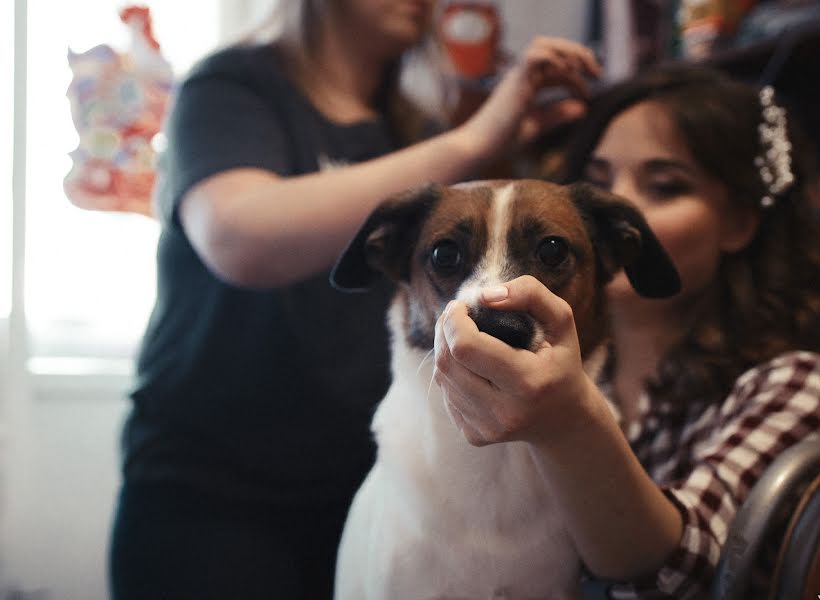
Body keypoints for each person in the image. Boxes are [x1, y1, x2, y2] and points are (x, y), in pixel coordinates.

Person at [108, 1, 601, 599]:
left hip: (362, 475)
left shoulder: (409, 130)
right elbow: (238, 237)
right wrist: (472, 140)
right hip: (215, 491)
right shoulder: (232, 87)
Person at [432, 64, 820, 598]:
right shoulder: (570, 372)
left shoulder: (797, 386)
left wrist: (568, 423)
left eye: (664, 185)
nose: (620, 207)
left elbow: (691, 565)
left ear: (738, 222)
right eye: (598, 179)